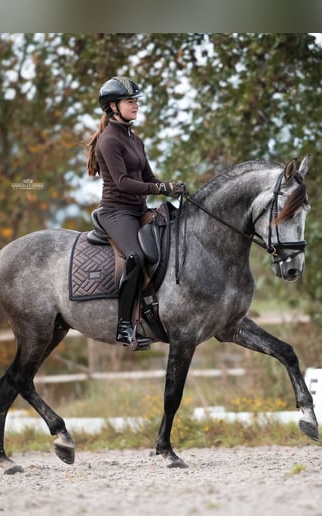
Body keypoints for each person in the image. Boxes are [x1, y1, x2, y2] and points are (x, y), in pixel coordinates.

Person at [85, 76, 186, 348]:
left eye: (136, 100)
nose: (136, 105)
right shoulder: (109, 140)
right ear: (113, 107)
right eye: (130, 101)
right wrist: (162, 187)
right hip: (116, 212)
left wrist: (171, 187)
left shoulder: (135, 139)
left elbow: (148, 177)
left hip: (138, 209)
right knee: (134, 256)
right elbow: (123, 183)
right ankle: (124, 327)